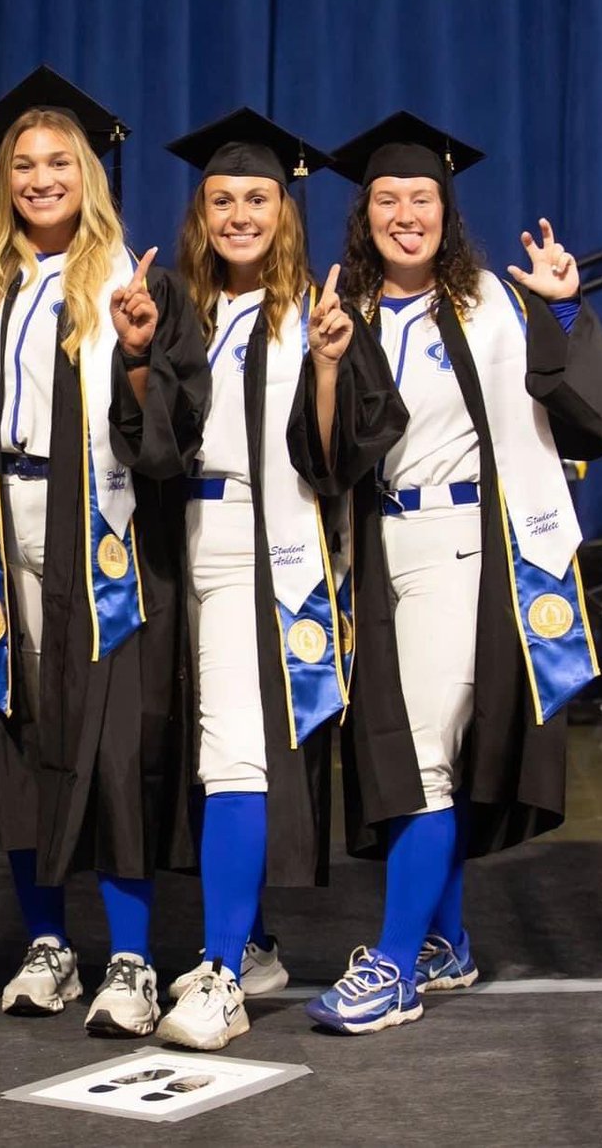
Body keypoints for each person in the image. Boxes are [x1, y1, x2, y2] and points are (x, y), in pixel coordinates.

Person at [301, 111, 602, 1034]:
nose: (407, 215)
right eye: (388, 200)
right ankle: (446, 941)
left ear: (447, 211)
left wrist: (562, 306)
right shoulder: (346, 313)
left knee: (423, 759)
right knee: (409, 753)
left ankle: (395, 968)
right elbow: (327, 459)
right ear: (364, 215)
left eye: (423, 200)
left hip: (461, 552)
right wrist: (325, 365)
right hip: (376, 556)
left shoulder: (491, 303)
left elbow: (591, 415)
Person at [0, 67, 209, 1037]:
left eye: (61, 162)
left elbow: (169, 430)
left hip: (99, 536)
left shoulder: (130, 285)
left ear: (90, 176)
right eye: (25, 164)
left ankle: (135, 956)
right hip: (0, 529)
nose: (41, 177)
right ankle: (48, 941)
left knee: (113, 746)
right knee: (24, 736)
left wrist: (140, 351)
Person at [154, 107, 403, 1051]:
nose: (240, 213)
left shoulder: (316, 312)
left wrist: (332, 366)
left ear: (285, 210)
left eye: (258, 197)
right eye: (223, 199)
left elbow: (341, 453)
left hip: (275, 545)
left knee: (237, 753)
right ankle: (250, 944)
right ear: (202, 212)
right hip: (189, 542)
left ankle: (220, 971)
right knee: (217, 748)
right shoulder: (187, 303)